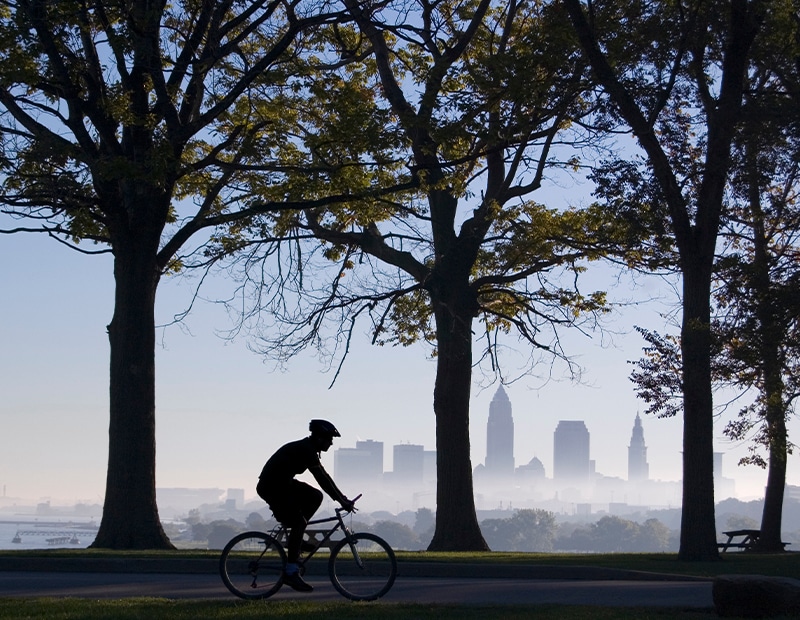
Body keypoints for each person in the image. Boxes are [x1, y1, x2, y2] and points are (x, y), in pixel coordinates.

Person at [256, 419, 355, 592]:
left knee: (315, 496)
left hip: (283, 483)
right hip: (272, 486)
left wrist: (342, 497)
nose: (331, 443)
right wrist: (341, 501)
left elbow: (324, 476)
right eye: (329, 439)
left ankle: (296, 537)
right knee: (299, 522)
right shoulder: (306, 449)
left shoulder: (309, 449)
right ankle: (291, 572)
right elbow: (321, 478)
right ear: (319, 438)